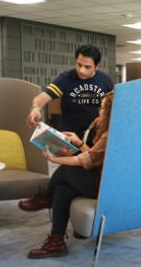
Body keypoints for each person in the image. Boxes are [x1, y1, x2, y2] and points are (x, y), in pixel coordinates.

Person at [19, 44, 113, 211]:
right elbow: (43, 96)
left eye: (87, 67)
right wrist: (35, 108)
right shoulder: (66, 78)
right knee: (69, 171)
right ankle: (51, 201)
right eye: (79, 64)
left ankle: (51, 200)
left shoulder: (105, 81)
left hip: (95, 138)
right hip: (69, 137)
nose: (82, 70)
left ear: (97, 66)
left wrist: (103, 116)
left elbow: (112, 104)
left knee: (85, 176)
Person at [26, 91, 114, 259]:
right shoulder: (110, 130)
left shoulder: (110, 135)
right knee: (62, 189)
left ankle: (46, 198)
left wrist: (54, 159)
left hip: (107, 186)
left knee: (67, 170)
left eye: (103, 109)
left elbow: (84, 160)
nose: (99, 112)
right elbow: (95, 158)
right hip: (102, 179)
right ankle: (56, 242)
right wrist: (79, 142)